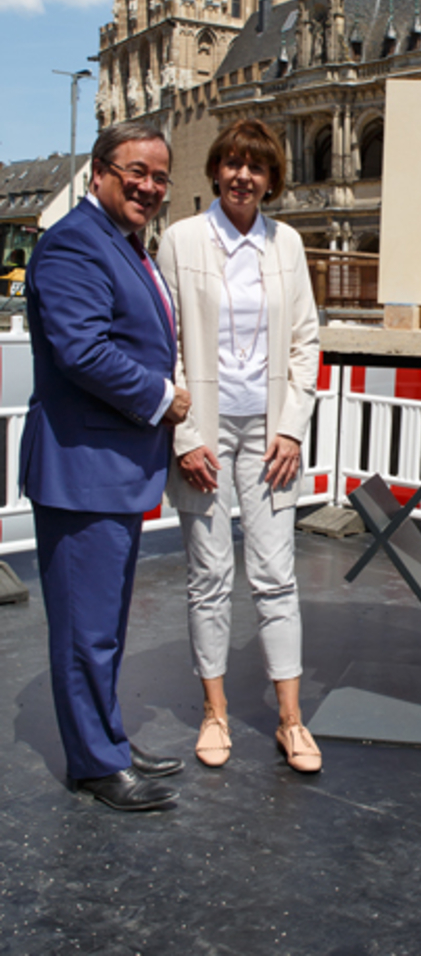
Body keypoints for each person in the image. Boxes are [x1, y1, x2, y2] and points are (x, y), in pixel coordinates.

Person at [20, 125, 191, 812]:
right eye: (135, 172)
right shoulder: (74, 243)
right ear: (99, 172)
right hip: (82, 468)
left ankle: (108, 740)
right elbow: (82, 351)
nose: (149, 187)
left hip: (110, 467)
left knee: (105, 627)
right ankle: (95, 763)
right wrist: (161, 397)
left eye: (160, 177)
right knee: (85, 630)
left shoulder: (120, 241)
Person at [157, 119, 322, 773]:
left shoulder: (287, 243)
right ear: (215, 170)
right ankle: (215, 712)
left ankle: (291, 720)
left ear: (271, 178)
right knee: (209, 576)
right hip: (206, 428)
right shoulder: (181, 240)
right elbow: (165, 345)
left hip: (269, 431)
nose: (242, 176)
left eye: (256, 167)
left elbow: (305, 341)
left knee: (276, 576)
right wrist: (185, 436)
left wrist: (292, 426)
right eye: (231, 163)